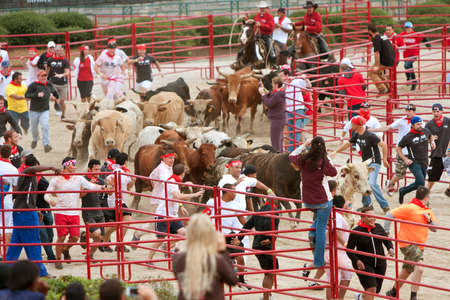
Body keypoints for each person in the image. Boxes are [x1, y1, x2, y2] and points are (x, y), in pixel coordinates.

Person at [44, 157, 105, 270]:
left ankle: (66, 249)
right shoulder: (56, 180)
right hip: (60, 212)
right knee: (61, 236)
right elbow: (46, 194)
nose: (75, 166)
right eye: (73, 164)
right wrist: (50, 200)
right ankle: (58, 260)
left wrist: (104, 187)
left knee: (75, 237)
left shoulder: (78, 178)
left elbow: (91, 186)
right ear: (66, 166)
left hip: (74, 213)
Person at [5, 159, 59, 277]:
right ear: (35, 165)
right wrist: (51, 167)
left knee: (16, 243)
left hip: (23, 211)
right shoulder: (27, 172)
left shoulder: (29, 176)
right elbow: (32, 169)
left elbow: (28, 196)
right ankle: (41, 272)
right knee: (33, 242)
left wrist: (36, 209)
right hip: (25, 213)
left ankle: (6, 271)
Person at [289, 136, 337, 268]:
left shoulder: (303, 159)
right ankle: (318, 261)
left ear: (311, 145)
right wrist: (327, 157)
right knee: (322, 229)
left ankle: (312, 232)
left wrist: (304, 145)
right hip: (323, 201)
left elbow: (292, 155)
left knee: (319, 223)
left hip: (308, 201)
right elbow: (333, 172)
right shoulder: (323, 161)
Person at [384, 186, 437, 300]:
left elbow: (434, 228)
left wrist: (429, 220)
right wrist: (386, 232)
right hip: (407, 244)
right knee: (420, 268)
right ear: (426, 198)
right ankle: (413, 297)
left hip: (419, 245)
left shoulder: (427, 210)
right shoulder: (409, 208)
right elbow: (389, 215)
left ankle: (393, 291)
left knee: (407, 270)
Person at [331, 116, 390, 212]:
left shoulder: (370, 135)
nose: (351, 125)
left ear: (357, 125)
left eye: (352, 124)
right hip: (364, 164)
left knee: (372, 183)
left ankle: (385, 206)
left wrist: (384, 159)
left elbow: (384, 145)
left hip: (374, 162)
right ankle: (367, 204)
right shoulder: (357, 134)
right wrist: (336, 151)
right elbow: (348, 144)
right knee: (362, 181)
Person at [145, 164, 203, 261]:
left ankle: (167, 247)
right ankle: (149, 259)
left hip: (172, 214)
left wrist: (180, 206)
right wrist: (195, 194)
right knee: (160, 239)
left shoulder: (174, 181)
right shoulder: (173, 182)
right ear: (183, 173)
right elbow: (178, 195)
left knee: (184, 233)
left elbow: (175, 195)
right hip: (163, 214)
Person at [172, 213, 238, 300]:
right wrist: (223, 251)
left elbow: (180, 284)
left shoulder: (178, 258)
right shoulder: (215, 259)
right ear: (210, 233)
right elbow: (232, 281)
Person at [347, 207, 394, 300]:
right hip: (364, 264)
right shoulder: (356, 231)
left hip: (380, 263)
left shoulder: (379, 227)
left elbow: (387, 241)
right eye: (369, 216)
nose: (372, 218)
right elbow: (349, 249)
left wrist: (390, 248)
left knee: (375, 290)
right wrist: (356, 261)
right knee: (371, 288)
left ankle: (361, 297)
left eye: (373, 216)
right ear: (362, 217)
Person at [206, 183, 249, 287]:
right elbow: (205, 215)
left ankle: (241, 279)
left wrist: (242, 235)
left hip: (229, 235)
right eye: (234, 191)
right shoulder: (213, 202)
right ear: (227, 191)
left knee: (240, 257)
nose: (236, 193)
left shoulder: (236, 205)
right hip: (215, 235)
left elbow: (245, 222)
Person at [369, 104, 417, 196]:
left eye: (409, 110)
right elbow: (387, 127)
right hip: (402, 151)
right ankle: (390, 184)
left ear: (414, 111)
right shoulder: (401, 121)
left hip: (415, 151)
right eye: (406, 110)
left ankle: (420, 193)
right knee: (400, 174)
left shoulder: (420, 122)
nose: (407, 112)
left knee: (420, 172)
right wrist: (372, 130)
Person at [239, 199, 279, 300]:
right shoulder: (275, 211)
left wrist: (238, 238)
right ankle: (266, 297)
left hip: (256, 245)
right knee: (270, 273)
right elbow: (272, 227)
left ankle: (267, 295)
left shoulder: (259, 211)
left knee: (268, 272)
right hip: (265, 245)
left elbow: (247, 225)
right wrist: (270, 238)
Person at [303, 180, 340, 290]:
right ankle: (312, 278)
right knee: (325, 261)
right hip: (320, 234)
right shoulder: (328, 203)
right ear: (333, 191)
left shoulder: (321, 201)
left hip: (317, 233)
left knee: (325, 260)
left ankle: (310, 270)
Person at [20, 154, 57, 261]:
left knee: (49, 232)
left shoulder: (41, 179)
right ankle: (51, 256)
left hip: (45, 208)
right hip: (33, 210)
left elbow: (51, 192)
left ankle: (46, 251)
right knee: (43, 234)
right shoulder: (26, 178)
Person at [397, 116, 435, 204]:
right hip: (414, 162)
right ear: (412, 125)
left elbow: (430, 136)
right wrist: (405, 159)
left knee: (420, 183)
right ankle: (422, 201)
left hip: (425, 161)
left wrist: (432, 142)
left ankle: (403, 191)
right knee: (421, 181)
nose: (420, 125)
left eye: (421, 123)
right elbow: (398, 148)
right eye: (418, 124)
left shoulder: (425, 130)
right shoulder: (408, 137)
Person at [104, 153, 135, 253]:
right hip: (118, 201)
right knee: (127, 219)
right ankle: (119, 243)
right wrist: (133, 179)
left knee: (115, 225)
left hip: (112, 200)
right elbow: (129, 184)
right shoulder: (122, 173)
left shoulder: (114, 172)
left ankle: (100, 239)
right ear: (125, 161)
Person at [324, 195, 352, 300]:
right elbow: (336, 232)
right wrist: (345, 244)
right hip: (336, 250)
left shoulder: (332, 214)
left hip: (335, 250)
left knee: (343, 276)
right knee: (335, 279)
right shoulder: (337, 215)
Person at [79, 159, 107, 259]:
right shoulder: (84, 180)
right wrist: (90, 186)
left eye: (99, 169)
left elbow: (109, 192)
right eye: (95, 169)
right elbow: (80, 195)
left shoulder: (101, 180)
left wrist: (111, 186)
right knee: (97, 233)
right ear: (89, 169)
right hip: (88, 211)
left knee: (100, 237)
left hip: (99, 211)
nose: (98, 172)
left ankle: (89, 254)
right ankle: (85, 235)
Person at [25, 70, 59, 152]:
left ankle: (46, 144)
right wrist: (36, 95)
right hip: (34, 110)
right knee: (34, 128)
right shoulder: (33, 85)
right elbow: (26, 96)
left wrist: (53, 98)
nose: (44, 77)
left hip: (45, 110)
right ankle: (35, 139)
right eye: (42, 76)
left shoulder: (49, 84)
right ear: (38, 77)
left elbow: (56, 94)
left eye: (45, 76)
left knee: (45, 126)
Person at [279, 68, 312, 151]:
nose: (280, 78)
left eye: (281, 76)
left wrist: (304, 77)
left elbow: (309, 86)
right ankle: (296, 149)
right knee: (292, 131)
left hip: (298, 108)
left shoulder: (296, 81)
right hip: (290, 110)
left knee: (297, 129)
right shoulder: (284, 85)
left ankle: (295, 149)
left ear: (286, 75)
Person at [399, 21, 431, 91]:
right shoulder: (402, 35)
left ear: (411, 28)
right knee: (407, 66)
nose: (407, 29)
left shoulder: (416, 34)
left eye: (409, 28)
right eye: (406, 28)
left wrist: (428, 45)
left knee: (407, 65)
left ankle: (411, 80)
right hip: (406, 55)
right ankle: (411, 79)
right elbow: (398, 41)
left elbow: (424, 37)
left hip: (414, 54)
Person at [425, 103, 450, 191]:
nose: (436, 113)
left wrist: (449, 149)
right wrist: (430, 139)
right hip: (436, 154)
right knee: (432, 178)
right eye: (434, 111)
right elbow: (425, 138)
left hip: (448, 153)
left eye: (438, 111)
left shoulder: (448, 121)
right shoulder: (429, 125)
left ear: (442, 112)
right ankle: (425, 194)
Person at [0, 145, 18, 257]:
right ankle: (6, 253)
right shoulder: (13, 169)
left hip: (5, 198)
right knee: (8, 226)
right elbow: (16, 187)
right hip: (7, 200)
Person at [260, 76, 286, 152]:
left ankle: (277, 156)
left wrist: (262, 95)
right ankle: (280, 154)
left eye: (272, 83)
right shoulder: (280, 93)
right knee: (279, 140)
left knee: (275, 141)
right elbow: (271, 95)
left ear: (276, 85)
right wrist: (263, 89)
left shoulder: (278, 94)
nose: (272, 85)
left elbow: (269, 103)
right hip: (279, 119)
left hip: (276, 120)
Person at [367, 23, 395, 95]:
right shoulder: (383, 36)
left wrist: (377, 65)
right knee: (379, 73)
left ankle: (382, 89)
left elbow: (377, 53)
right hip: (391, 59)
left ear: (370, 31)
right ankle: (389, 88)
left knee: (371, 72)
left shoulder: (376, 38)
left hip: (385, 61)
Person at [46, 45, 69, 119]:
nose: (62, 52)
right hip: (53, 82)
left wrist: (61, 75)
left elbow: (67, 72)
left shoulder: (65, 60)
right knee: (54, 98)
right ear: (56, 51)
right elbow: (47, 71)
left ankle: (63, 114)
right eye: (60, 50)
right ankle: (56, 105)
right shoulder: (50, 60)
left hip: (63, 83)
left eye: (62, 50)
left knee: (62, 102)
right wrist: (45, 78)